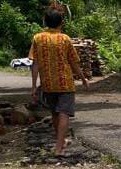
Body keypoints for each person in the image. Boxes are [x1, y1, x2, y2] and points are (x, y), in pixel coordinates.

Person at [28, 4, 88, 155]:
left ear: (45, 22)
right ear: (61, 23)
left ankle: (60, 141)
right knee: (64, 113)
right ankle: (59, 148)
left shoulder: (37, 38)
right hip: (65, 83)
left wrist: (34, 86)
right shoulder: (65, 39)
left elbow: (35, 63)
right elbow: (74, 62)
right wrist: (83, 78)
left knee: (55, 113)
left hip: (48, 83)